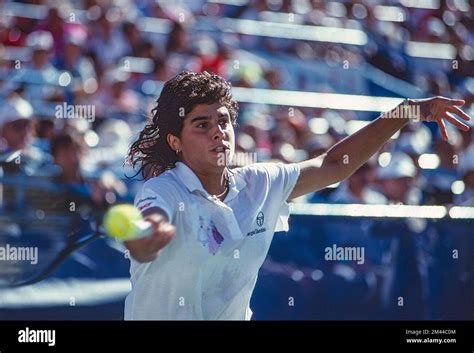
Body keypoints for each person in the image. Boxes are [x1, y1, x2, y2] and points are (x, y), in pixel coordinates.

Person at [124, 71, 471, 320]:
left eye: (224, 121)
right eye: (202, 124)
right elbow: (150, 222)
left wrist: (406, 110)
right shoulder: (162, 190)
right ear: (175, 142)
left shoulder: (261, 182)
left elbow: (335, 163)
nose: (218, 132)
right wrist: (149, 236)